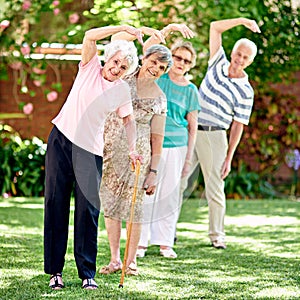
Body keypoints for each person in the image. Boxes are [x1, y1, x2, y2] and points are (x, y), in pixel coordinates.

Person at [44, 25, 143, 290]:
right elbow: (89, 35)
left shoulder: (121, 90)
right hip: (61, 140)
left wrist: (133, 148)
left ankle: (87, 273)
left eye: (123, 67)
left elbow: (129, 121)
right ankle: (55, 272)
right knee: (56, 203)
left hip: (90, 151)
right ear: (108, 58)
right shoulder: (89, 67)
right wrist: (122, 28)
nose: (117, 68)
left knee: (88, 211)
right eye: (115, 62)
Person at [181, 17, 261, 250]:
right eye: (238, 53)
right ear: (233, 51)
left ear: (250, 61)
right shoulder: (217, 61)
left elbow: (238, 125)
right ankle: (167, 235)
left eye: (245, 57)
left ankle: (217, 235)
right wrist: (244, 21)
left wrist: (229, 158)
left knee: (215, 188)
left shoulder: (246, 90)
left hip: (216, 136)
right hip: (190, 130)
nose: (240, 59)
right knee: (178, 180)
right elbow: (214, 27)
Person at [99, 41, 173, 276]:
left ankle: (130, 262)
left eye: (161, 68)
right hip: (109, 151)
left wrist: (154, 172)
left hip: (137, 157)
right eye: (153, 62)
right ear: (144, 59)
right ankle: (114, 260)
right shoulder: (121, 80)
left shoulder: (160, 99)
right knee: (110, 207)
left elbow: (157, 138)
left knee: (134, 209)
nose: (155, 68)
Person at [135, 25, 199, 259]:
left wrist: (188, 159)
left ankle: (164, 243)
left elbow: (193, 128)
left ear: (190, 65)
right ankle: (140, 243)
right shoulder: (158, 78)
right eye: (178, 58)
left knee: (170, 195)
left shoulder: (191, 90)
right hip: (150, 144)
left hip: (177, 147)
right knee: (146, 191)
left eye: (187, 61)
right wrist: (170, 29)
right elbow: (148, 48)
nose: (181, 63)